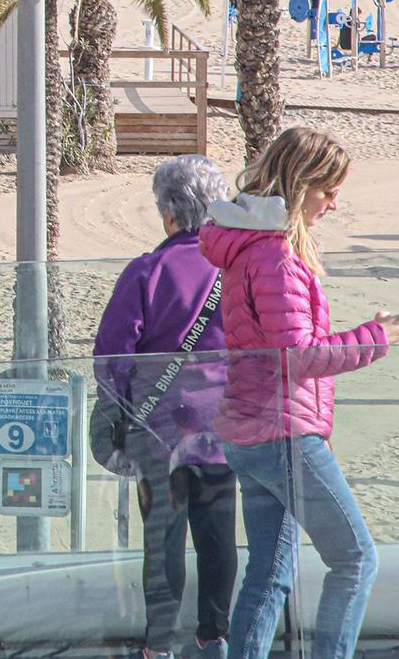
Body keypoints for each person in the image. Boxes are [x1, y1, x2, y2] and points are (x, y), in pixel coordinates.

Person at [201, 127, 399, 659]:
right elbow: (300, 356)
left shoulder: (249, 248)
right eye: (327, 191)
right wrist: (377, 337)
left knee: (269, 574)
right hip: (284, 434)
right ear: (299, 187)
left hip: (252, 431)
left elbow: (287, 344)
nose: (334, 204)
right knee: (355, 559)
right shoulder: (274, 256)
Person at [90, 156, 238, 659]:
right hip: (224, 428)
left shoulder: (147, 270)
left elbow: (112, 356)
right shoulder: (234, 268)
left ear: (169, 213)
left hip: (159, 434)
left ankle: (161, 645)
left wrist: (119, 408)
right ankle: (215, 636)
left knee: (163, 543)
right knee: (218, 539)